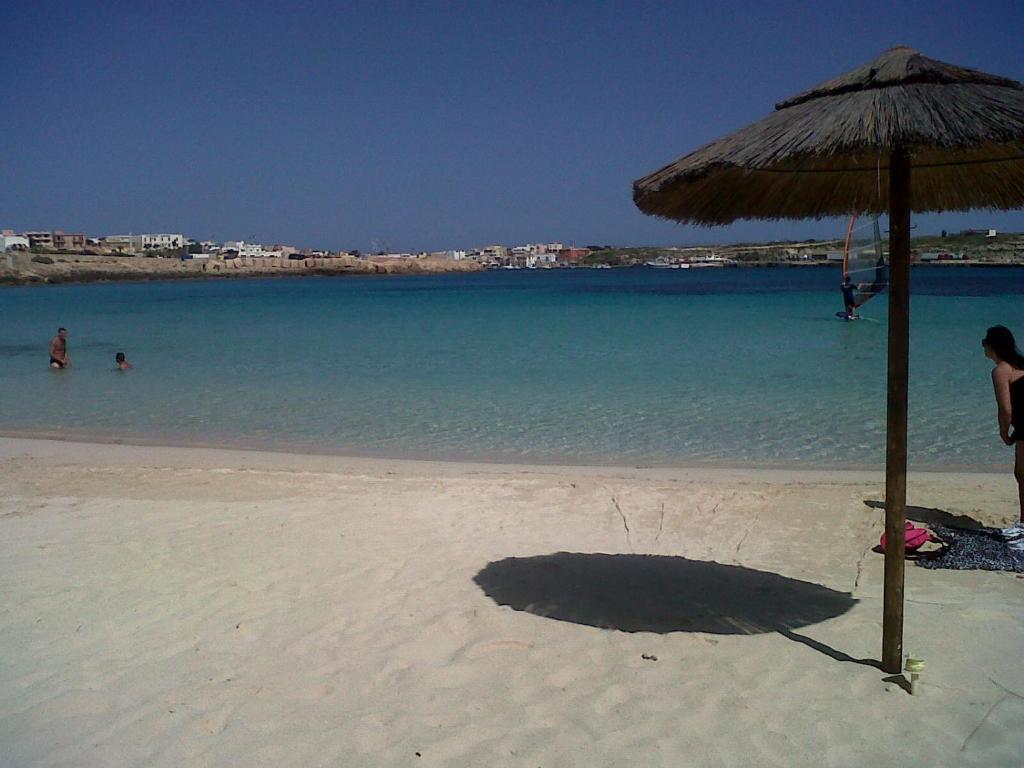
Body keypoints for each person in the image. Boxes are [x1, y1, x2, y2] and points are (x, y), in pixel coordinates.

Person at [982, 325, 1024, 548]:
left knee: (1022, 474)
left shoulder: (1002, 370)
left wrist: (1003, 432)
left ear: (992, 346)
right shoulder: (1021, 364)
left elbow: (1005, 409)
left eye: (985, 343)